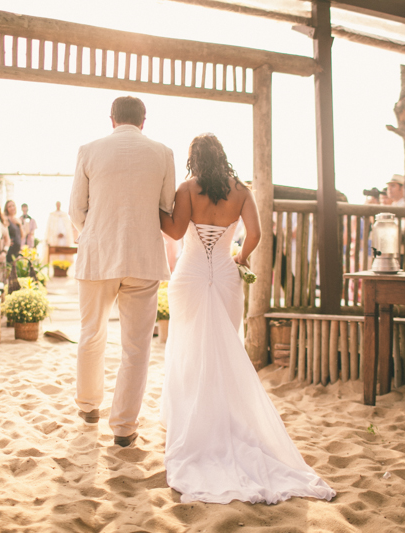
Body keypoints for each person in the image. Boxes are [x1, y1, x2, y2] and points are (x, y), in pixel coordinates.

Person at [158, 133, 335, 504]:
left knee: (190, 348)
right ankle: (225, 421)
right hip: (225, 274)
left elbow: (174, 230)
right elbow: (255, 233)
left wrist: (153, 207)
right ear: (222, 157)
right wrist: (238, 256)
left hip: (190, 276)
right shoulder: (241, 191)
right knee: (225, 352)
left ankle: (193, 420)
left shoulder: (188, 188)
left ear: (194, 159)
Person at [69, 96, 175, 447]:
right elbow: (166, 207)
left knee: (91, 333)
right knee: (137, 347)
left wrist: (96, 233)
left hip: (98, 254)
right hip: (143, 257)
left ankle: (88, 407)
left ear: (111, 118)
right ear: (144, 121)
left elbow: (75, 210)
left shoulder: (89, 150)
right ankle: (124, 428)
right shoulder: (163, 153)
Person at [45, 200, 75, 265]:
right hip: (55, 239)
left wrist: (63, 233)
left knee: (64, 253)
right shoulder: (52, 215)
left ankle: (64, 267)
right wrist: (56, 234)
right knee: (56, 253)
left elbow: (67, 227)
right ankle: (56, 267)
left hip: (64, 238)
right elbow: (50, 228)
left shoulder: (64, 215)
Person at [3, 199, 22, 264]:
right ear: (6, 209)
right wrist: (6, 241)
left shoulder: (18, 219)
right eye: (9, 206)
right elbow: (3, 232)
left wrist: (20, 225)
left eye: (13, 206)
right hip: (10, 249)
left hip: (17, 250)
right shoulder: (5, 219)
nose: (12, 208)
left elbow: (22, 235)